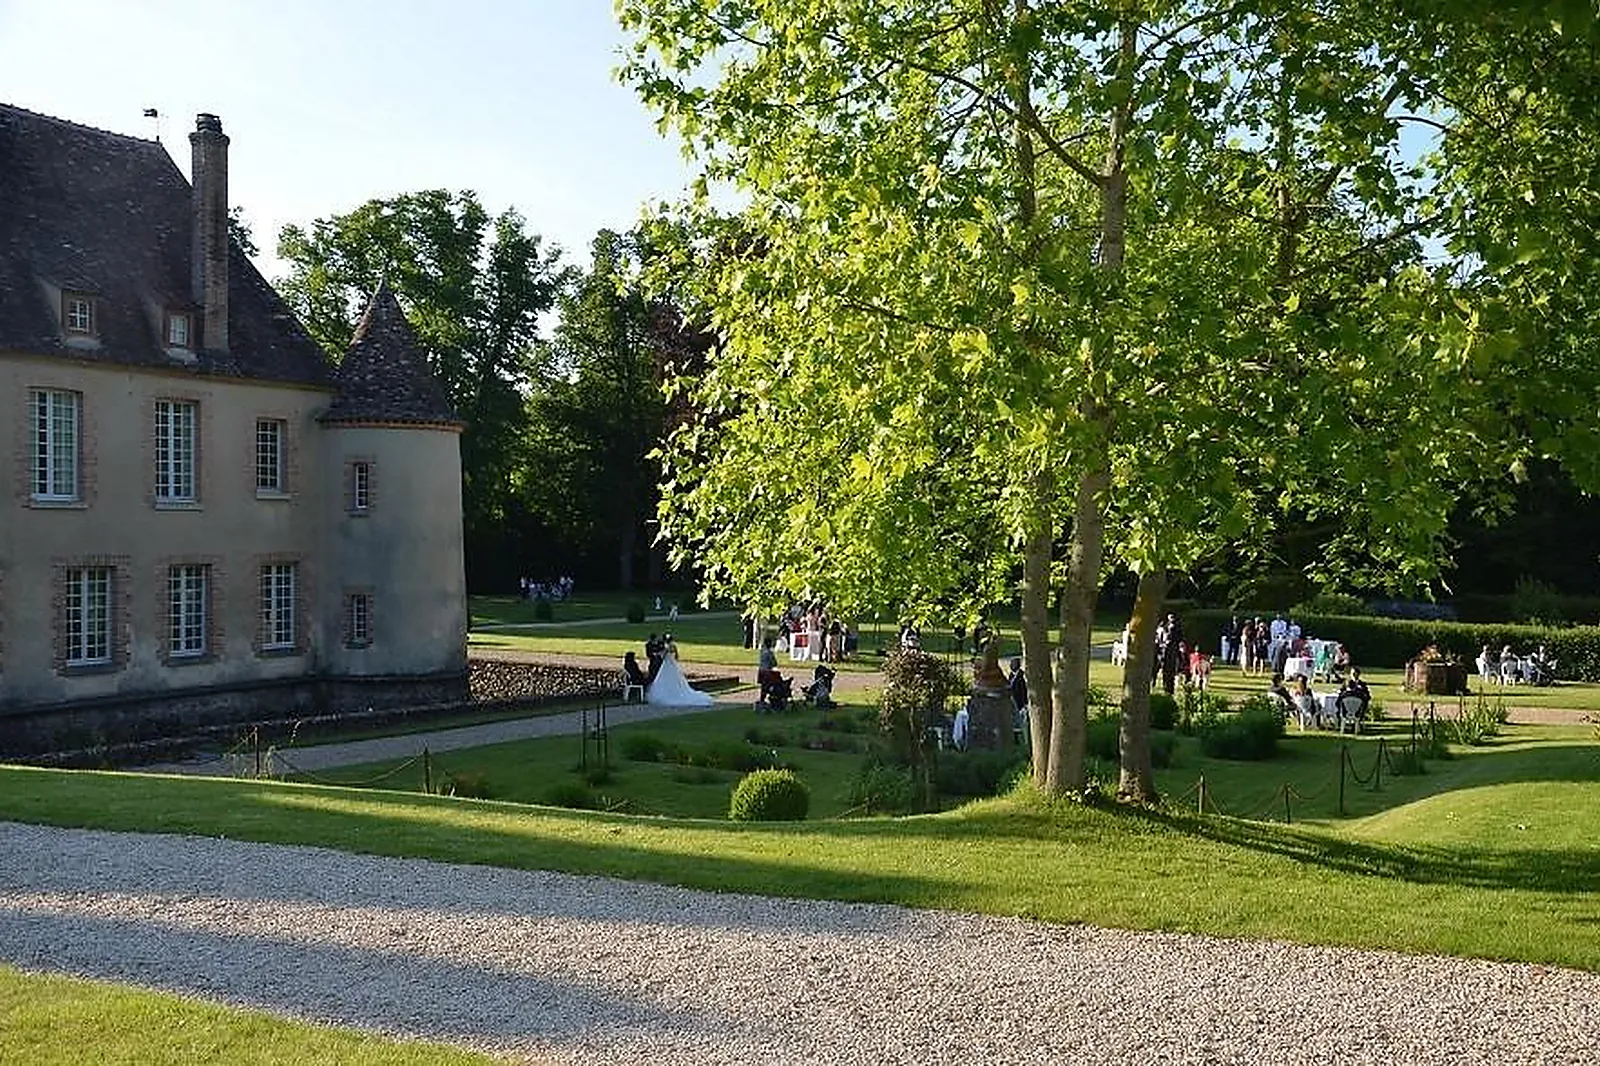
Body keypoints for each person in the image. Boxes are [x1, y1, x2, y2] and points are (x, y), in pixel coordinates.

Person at [647, 636, 713, 707]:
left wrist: (659, 654)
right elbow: (677, 656)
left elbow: (663, 656)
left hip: (667, 664)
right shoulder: (673, 646)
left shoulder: (666, 648)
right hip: (673, 664)